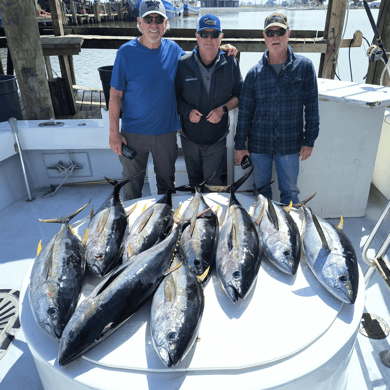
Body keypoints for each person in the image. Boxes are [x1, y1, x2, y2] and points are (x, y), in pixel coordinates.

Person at [109, 1, 237, 201]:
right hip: (133, 134)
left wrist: (222, 49)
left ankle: (164, 226)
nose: (154, 24)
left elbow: (199, 57)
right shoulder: (125, 52)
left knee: (167, 187)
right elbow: (115, 95)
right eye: (148, 19)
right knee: (132, 187)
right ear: (139, 23)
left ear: (166, 23)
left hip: (166, 135)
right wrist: (113, 133)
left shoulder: (174, 50)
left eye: (159, 19)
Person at [234, 12, 320, 204]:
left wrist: (309, 140)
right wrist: (240, 145)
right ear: (264, 37)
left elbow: (312, 106)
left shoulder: (305, 67)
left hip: (291, 144)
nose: (275, 37)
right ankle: (267, 231)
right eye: (270, 33)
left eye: (280, 32)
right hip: (258, 145)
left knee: (290, 192)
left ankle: (290, 232)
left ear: (288, 33)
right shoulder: (253, 73)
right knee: (261, 193)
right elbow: (245, 113)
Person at [175, 14, 243, 187]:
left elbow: (239, 94)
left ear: (221, 37)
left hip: (216, 139)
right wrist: (187, 111)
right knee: (195, 184)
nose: (209, 39)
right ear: (197, 36)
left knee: (212, 184)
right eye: (204, 34)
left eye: (214, 34)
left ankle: (210, 214)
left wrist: (223, 109)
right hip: (189, 138)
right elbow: (175, 97)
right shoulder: (183, 64)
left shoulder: (231, 63)